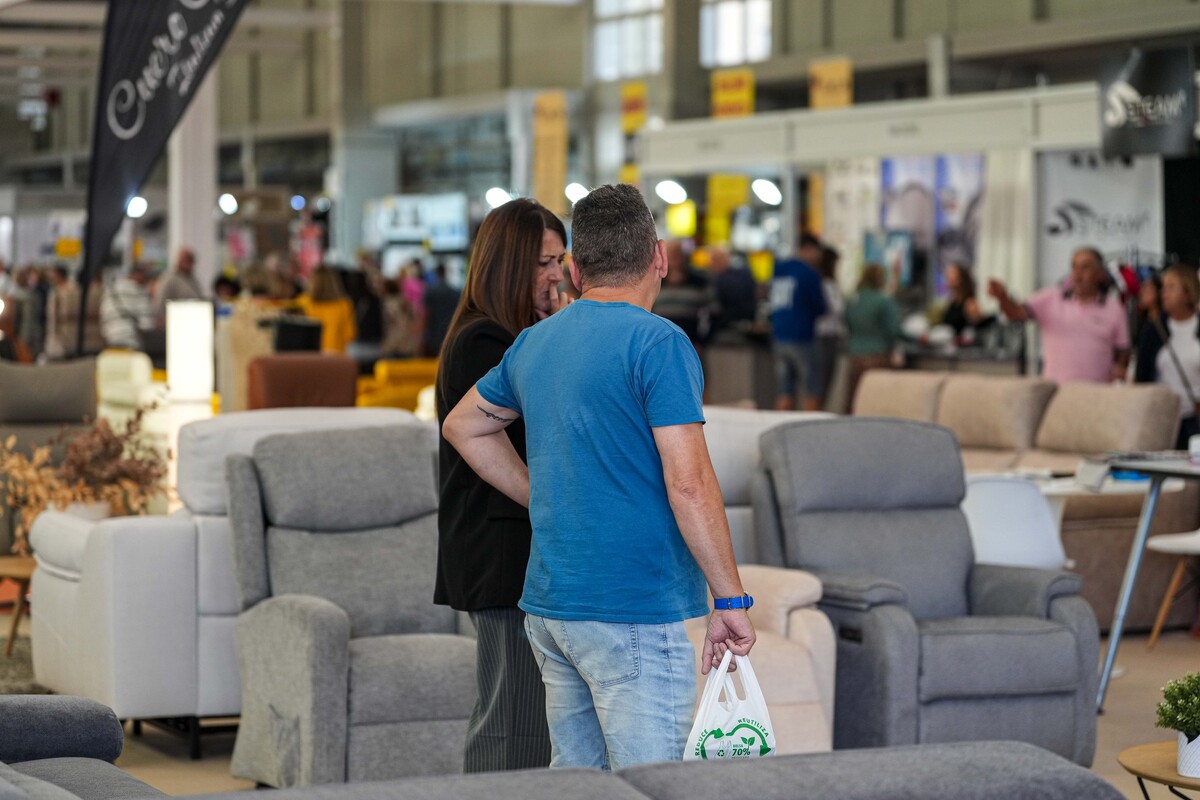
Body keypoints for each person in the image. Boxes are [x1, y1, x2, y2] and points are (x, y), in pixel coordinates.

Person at [442, 184, 755, 771]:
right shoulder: (658, 343)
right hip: (631, 606)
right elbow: (689, 483)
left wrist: (540, 496)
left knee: (577, 783)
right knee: (651, 783)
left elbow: (464, 426)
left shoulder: (535, 342)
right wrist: (730, 597)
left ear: (576, 268)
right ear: (658, 257)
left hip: (552, 607)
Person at [435, 198, 569, 772]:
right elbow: (543, 426)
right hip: (501, 551)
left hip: (518, 550)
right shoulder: (484, 342)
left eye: (561, 260)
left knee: (529, 719)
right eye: (543, 263)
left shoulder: (515, 337)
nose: (557, 275)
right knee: (510, 723)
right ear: (509, 264)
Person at [987, 247, 1130, 383]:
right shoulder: (1050, 298)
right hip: (1056, 395)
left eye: (1085, 267)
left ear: (1099, 273)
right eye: (1074, 267)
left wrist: (1120, 368)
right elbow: (1016, 313)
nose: (1078, 274)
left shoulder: (1113, 307)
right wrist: (1002, 297)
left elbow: (1123, 349)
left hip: (1096, 395)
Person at [1135, 265, 1200, 450]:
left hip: (1194, 418)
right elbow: (1143, 377)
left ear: (1188, 293)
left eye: (1171, 287)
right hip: (1163, 418)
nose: (1164, 293)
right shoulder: (1154, 330)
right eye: (1163, 288)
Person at [769, 233, 828, 410]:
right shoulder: (809, 274)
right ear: (809, 249)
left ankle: (781, 430)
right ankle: (811, 434)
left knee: (784, 390)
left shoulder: (779, 269)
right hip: (801, 336)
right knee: (812, 388)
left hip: (779, 335)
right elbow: (820, 307)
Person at [845, 263, 902, 402]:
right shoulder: (883, 300)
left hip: (855, 357)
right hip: (878, 356)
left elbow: (848, 326)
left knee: (855, 400)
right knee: (877, 401)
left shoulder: (853, 300)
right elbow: (894, 330)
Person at [652, 240, 712, 352]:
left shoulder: (699, 281)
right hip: (660, 342)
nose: (675, 257)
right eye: (671, 253)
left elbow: (713, 312)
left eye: (678, 253)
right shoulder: (656, 280)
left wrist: (703, 341)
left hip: (691, 342)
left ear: (685, 255)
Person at [296, 265, 357, 354]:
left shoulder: (302, 302)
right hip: (336, 357)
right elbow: (350, 334)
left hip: (310, 357)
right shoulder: (344, 305)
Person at [814, 245, 845, 407]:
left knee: (822, 385)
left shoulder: (824, 283)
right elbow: (837, 309)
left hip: (826, 337)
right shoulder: (825, 284)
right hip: (825, 337)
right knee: (822, 385)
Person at [100, 263, 156, 350]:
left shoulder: (111, 289)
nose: (147, 281)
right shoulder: (139, 292)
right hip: (132, 344)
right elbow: (147, 325)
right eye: (146, 277)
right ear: (139, 275)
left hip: (110, 341)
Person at [708, 246, 757, 334]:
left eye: (715, 260)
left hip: (731, 330)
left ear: (726, 260)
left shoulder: (727, 280)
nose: (711, 264)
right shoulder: (741, 275)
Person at [153, 247, 204, 322]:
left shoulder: (193, 280)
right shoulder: (170, 280)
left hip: (193, 320)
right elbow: (160, 305)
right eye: (186, 260)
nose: (189, 264)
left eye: (191, 261)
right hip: (175, 322)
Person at [942, 262, 991, 337]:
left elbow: (978, 330)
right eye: (947, 274)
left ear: (961, 277)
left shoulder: (970, 303)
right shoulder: (953, 302)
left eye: (952, 273)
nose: (948, 277)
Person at [423, 263, 461, 357]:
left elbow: (426, 315)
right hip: (449, 332)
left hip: (433, 334)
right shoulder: (455, 292)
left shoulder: (430, 292)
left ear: (436, 273)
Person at [44, 266, 80, 359]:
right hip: (65, 334)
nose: (51, 277)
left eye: (53, 274)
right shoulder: (58, 290)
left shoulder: (69, 290)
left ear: (59, 275)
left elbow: (56, 316)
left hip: (66, 334)